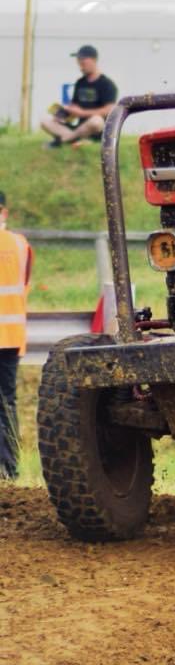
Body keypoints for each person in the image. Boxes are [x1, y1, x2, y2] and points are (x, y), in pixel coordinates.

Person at [0, 191, 32, 480]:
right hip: (11, 336)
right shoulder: (21, 245)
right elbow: (24, 284)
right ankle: (10, 470)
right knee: (7, 403)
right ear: (4, 212)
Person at [40, 45, 118, 148]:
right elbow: (74, 108)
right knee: (44, 121)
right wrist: (62, 116)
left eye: (83, 62)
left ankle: (62, 140)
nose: (80, 66)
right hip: (79, 128)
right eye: (79, 63)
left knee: (96, 121)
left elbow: (109, 111)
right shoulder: (80, 83)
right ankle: (76, 139)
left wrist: (82, 113)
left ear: (93, 60)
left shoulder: (107, 84)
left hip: (97, 129)